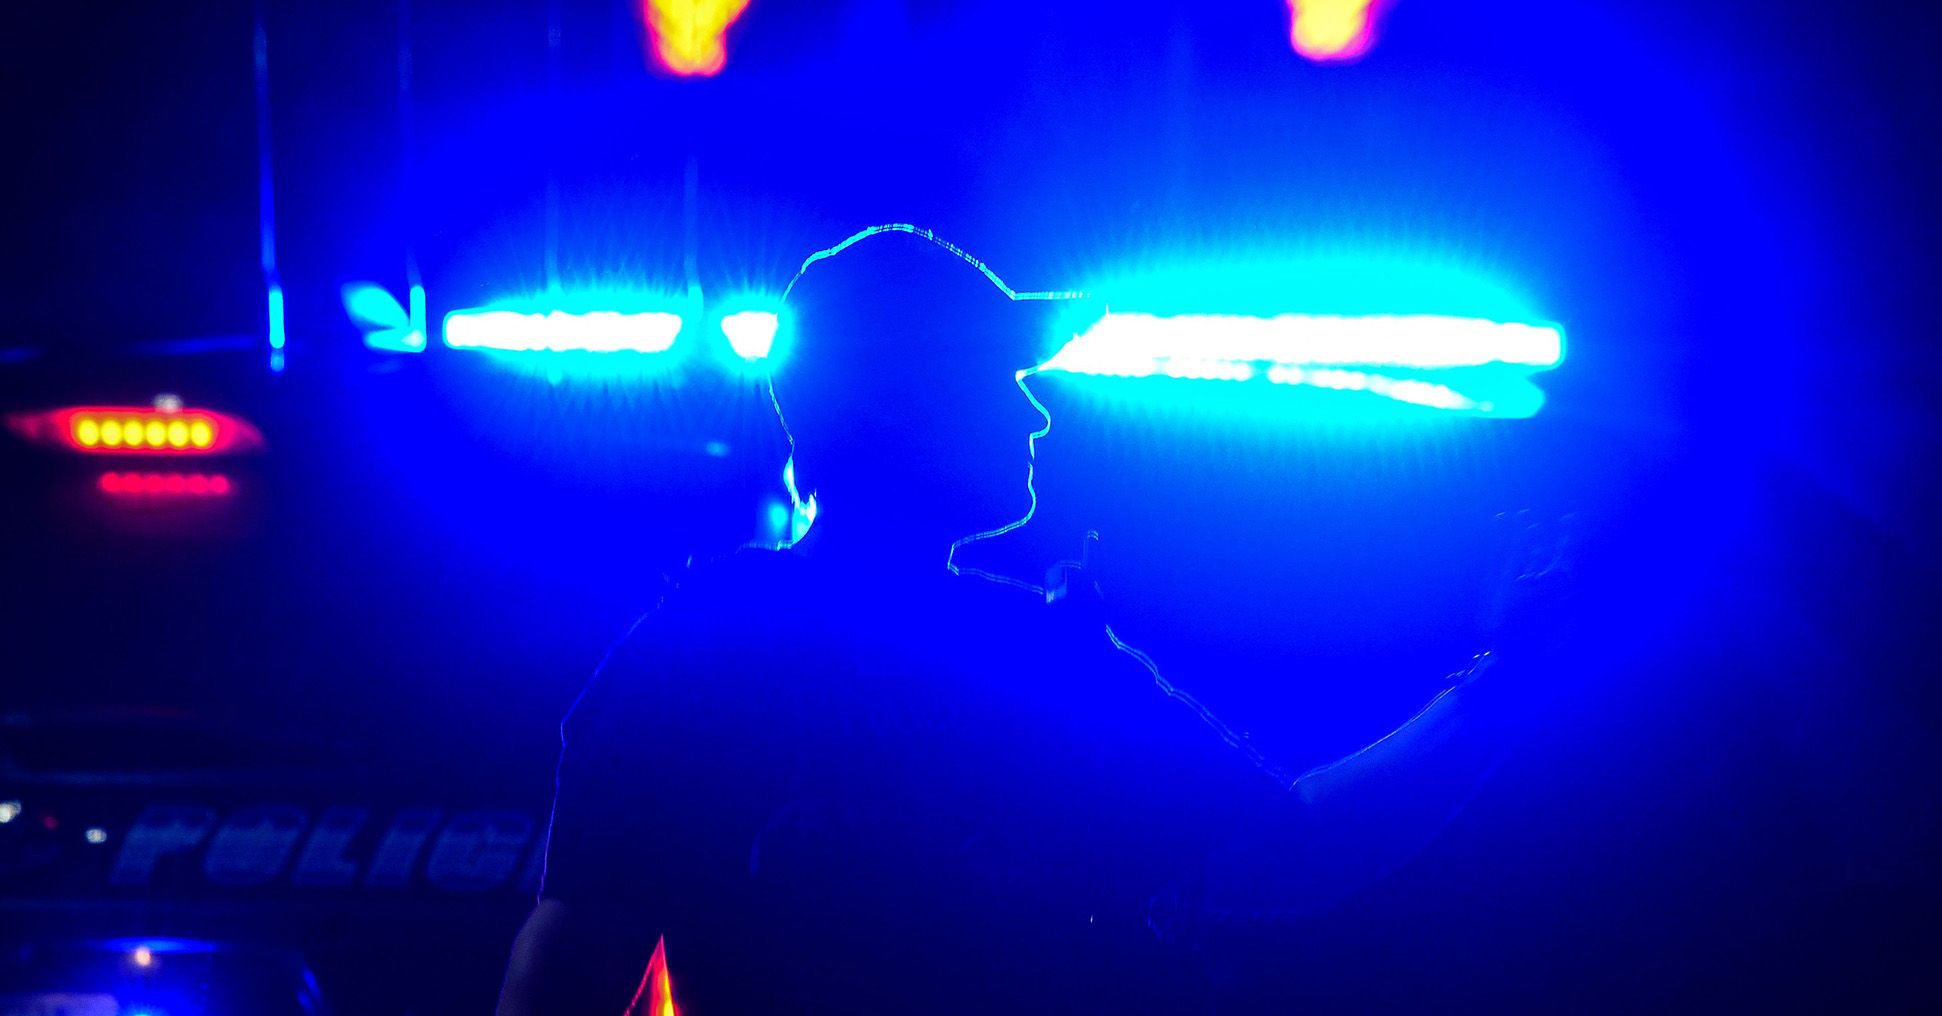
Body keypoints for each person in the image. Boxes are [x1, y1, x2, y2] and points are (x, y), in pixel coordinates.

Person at [497, 225, 1559, 1015]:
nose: (1036, 409)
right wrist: (1508, 674)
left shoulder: (683, 652)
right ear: (913, 401)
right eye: (997, 377)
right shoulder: (1016, 660)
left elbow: (572, 960)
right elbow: (1287, 856)